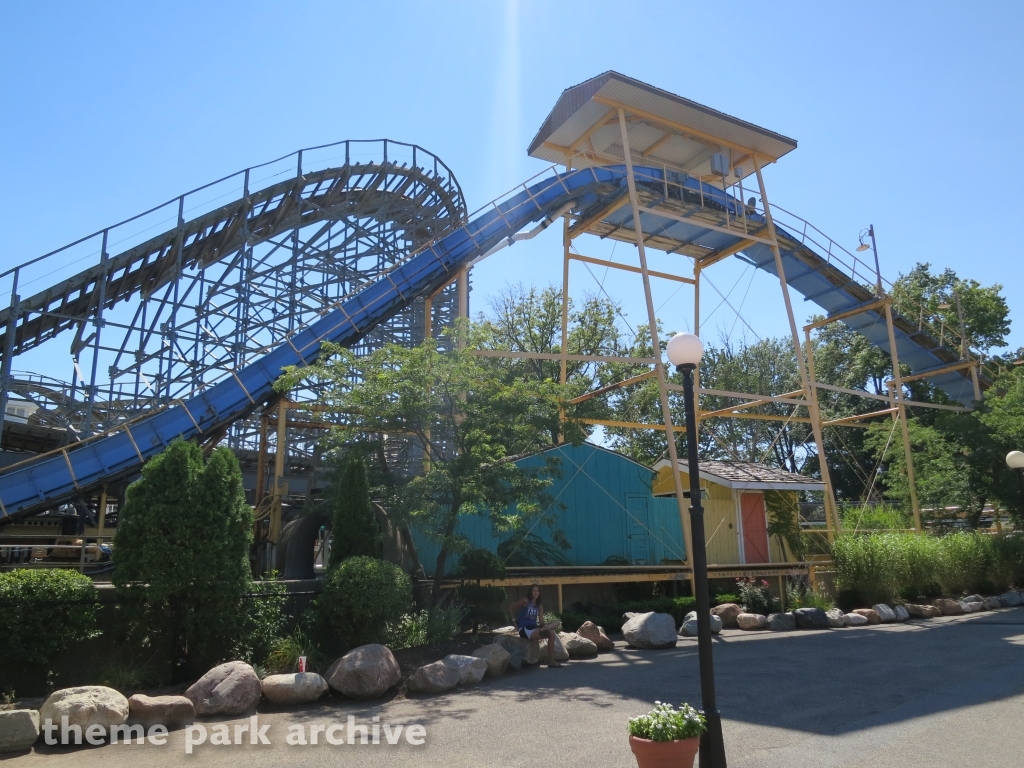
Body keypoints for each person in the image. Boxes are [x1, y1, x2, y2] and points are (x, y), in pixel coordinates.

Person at [509, 584, 563, 667]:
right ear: (530, 592)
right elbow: (511, 607)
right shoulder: (525, 601)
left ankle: (552, 661)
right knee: (543, 631)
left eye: (537, 591)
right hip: (525, 629)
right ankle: (543, 630)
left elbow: (541, 621)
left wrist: (544, 625)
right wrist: (514, 621)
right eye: (534, 591)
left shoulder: (539, 605)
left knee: (556, 626)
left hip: (535, 628)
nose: (535, 593)